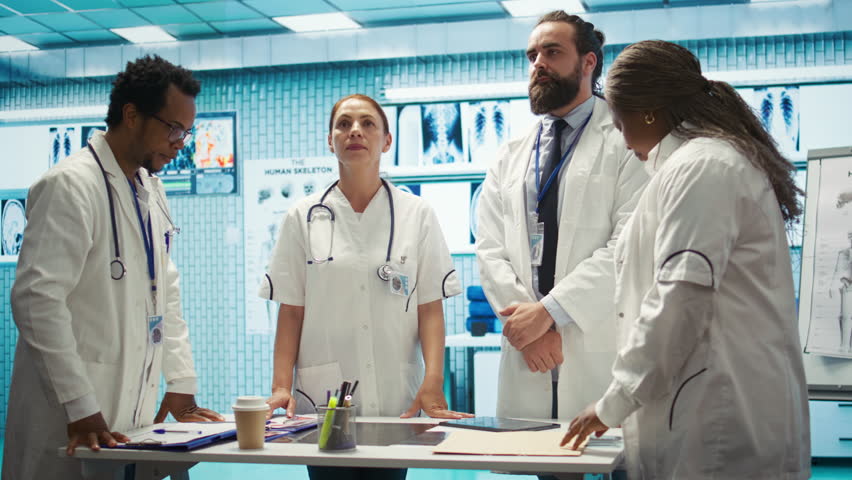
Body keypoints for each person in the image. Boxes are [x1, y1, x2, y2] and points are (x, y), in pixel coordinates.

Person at [563, 40, 811, 480]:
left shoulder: (703, 168)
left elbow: (677, 300)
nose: (623, 140)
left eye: (620, 124)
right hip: (703, 407)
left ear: (648, 113)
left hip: (720, 424)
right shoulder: (696, 165)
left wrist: (613, 403)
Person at [2, 55, 223, 480]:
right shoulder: (70, 186)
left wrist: (180, 382)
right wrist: (79, 406)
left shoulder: (150, 190)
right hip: (72, 419)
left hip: (129, 418)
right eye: (173, 128)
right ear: (132, 115)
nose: (180, 142)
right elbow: (36, 301)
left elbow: (165, 292)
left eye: (186, 131)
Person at [261, 93, 473, 480]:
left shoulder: (417, 214)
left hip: (395, 397)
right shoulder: (302, 217)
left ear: (387, 141)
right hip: (323, 401)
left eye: (367, 123)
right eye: (343, 124)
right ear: (330, 141)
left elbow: (429, 307)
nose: (354, 131)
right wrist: (280, 386)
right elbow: (291, 311)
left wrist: (433, 379)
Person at [475, 9, 648, 429]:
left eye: (552, 52)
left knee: (601, 455)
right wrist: (528, 328)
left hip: (596, 344)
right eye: (532, 55)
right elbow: (490, 249)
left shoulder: (627, 142)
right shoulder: (511, 153)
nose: (538, 64)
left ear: (588, 62)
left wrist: (549, 312)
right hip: (529, 351)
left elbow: (628, 246)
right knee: (532, 456)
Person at [830, 231, 852, 352]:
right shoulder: (843, 253)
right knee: (845, 317)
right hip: (847, 288)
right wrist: (834, 285)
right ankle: (844, 345)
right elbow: (837, 272)